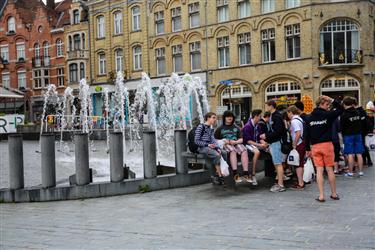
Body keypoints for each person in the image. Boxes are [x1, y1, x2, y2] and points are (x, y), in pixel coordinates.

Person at [305, 95, 342, 202]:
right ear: (321, 104)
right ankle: (334, 194)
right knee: (330, 169)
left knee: (319, 170)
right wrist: (332, 99)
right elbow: (341, 108)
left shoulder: (309, 117)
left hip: (315, 146)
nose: (328, 107)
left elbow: (306, 134)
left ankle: (321, 195)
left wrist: (308, 148)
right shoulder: (328, 115)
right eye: (327, 104)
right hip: (327, 145)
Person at [215, 111, 251, 183]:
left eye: (231, 116)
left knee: (244, 150)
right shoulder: (220, 128)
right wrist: (224, 141)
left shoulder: (236, 127)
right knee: (233, 151)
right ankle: (235, 174)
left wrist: (236, 142)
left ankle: (246, 173)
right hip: (226, 144)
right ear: (224, 118)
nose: (229, 118)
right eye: (227, 116)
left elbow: (241, 139)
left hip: (236, 143)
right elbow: (215, 139)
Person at [260, 100, 286, 192]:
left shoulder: (276, 116)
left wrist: (266, 136)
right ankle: (279, 182)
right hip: (274, 142)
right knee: (277, 163)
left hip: (276, 143)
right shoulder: (273, 116)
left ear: (271, 106)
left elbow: (278, 131)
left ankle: (280, 185)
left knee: (278, 164)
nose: (266, 107)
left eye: (267, 105)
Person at [194, 112, 223, 184]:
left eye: (215, 118)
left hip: (209, 147)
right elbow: (196, 141)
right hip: (202, 147)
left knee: (224, 152)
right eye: (213, 117)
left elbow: (213, 139)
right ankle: (218, 173)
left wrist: (217, 147)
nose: (215, 119)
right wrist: (208, 145)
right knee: (217, 155)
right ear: (208, 118)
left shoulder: (210, 128)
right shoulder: (201, 127)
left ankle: (220, 171)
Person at [341, 97, 365, 177]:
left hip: (348, 135)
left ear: (344, 104)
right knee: (359, 153)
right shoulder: (357, 112)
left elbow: (342, 127)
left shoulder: (344, 114)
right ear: (352, 104)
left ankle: (350, 172)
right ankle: (361, 171)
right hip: (358, 134)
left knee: (350, 154)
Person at [242, 109, 267, 185]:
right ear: (255, 116)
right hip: (248, 144)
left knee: (270, 148)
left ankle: (277, 173)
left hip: (256, 143)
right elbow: (248, 141)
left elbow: (259, 137)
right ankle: (253, 174)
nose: (261, 117)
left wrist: (265, 143)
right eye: (260, 116)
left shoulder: (258, 125)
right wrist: (260, 145)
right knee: (257, 152)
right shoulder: (248, 126)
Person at [286, 105, 305, 190]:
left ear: (290, 112)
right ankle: (301, 181)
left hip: (299, 144)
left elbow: (298, 133)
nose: (287, 115)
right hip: (302, 143)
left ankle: (300, 183)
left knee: (298, 164)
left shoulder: (294, 121)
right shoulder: (300, 119)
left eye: (288, 113)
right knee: (300, 163)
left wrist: (294, 144)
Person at [355, 100, 373, 166]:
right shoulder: (363, 111)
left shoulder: (357, 112)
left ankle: (366, 161)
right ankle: (367, 160)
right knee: (363, 145)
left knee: (361, 146)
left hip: (360, 131)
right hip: (363, 131)